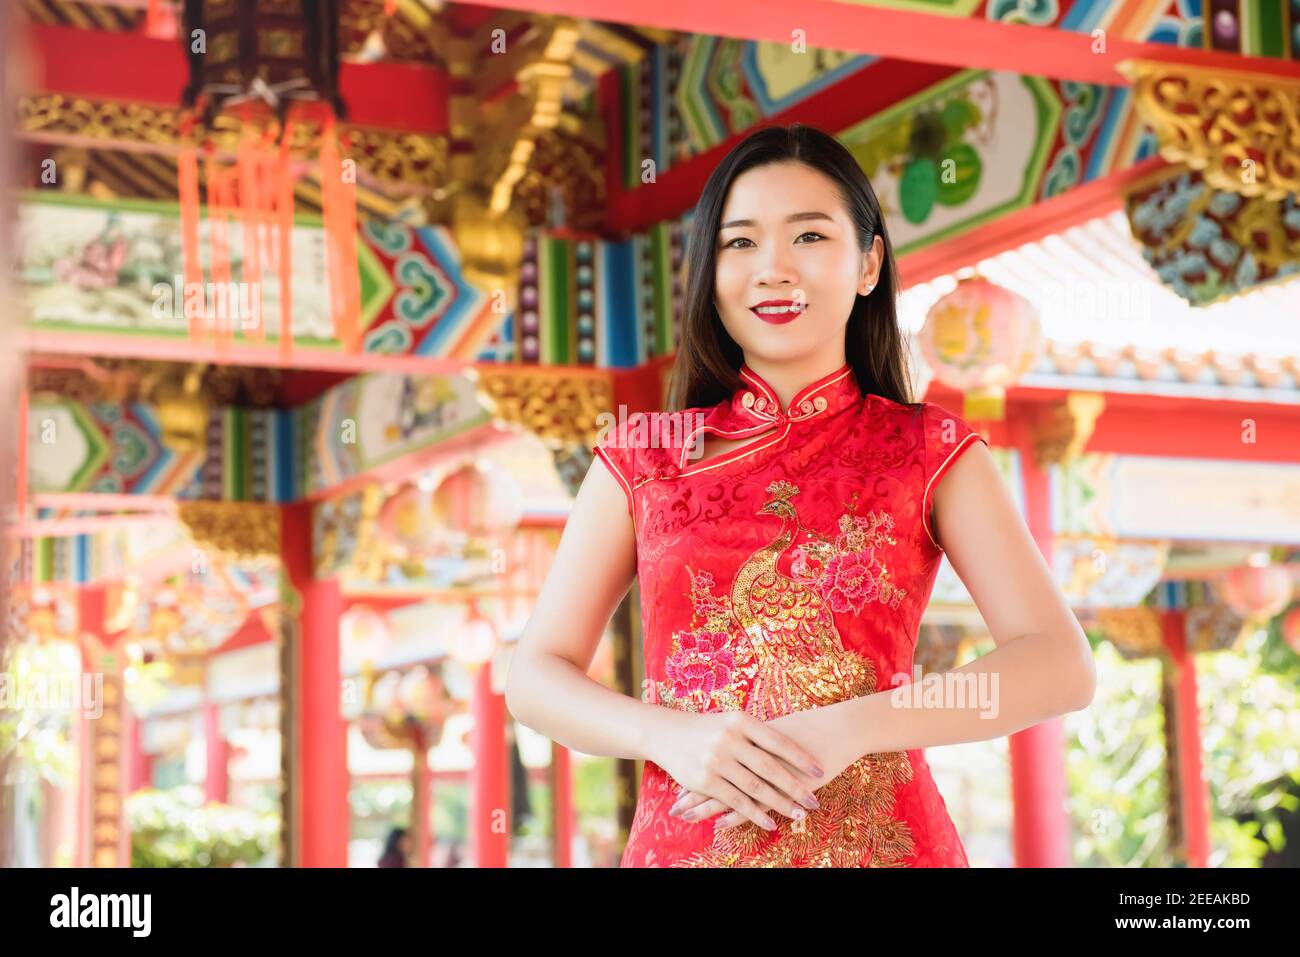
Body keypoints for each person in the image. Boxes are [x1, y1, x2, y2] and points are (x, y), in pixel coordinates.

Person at [505, 123, 1096, 867]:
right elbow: (534, 676)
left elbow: (1060, 665)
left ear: (869, 262)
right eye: (740, 243)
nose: (772, 269)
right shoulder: (642, 454)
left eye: (810, 236)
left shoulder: (929, 449)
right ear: (710, 272)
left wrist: (855, 726)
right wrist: (664, 733)